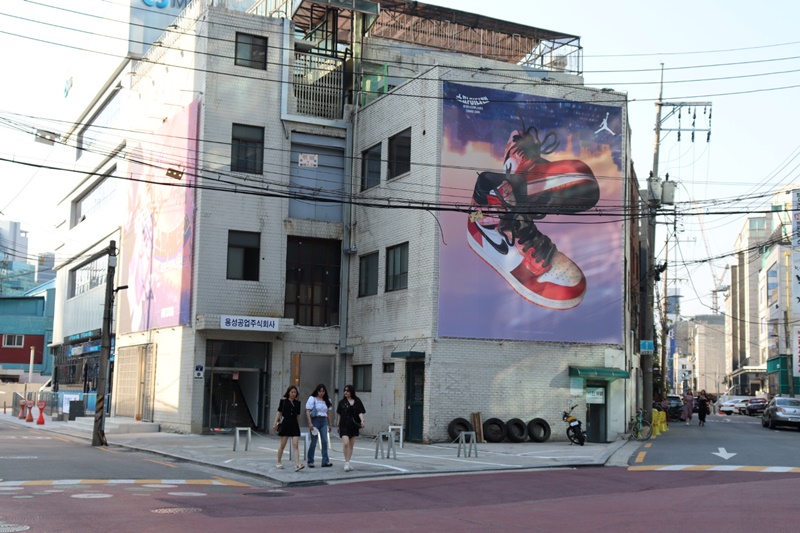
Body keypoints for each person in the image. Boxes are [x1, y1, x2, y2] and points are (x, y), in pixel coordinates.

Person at [273, 385, 304, 472]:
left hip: (294, 425)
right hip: (285, 424)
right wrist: (275, 423)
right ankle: (278, 462)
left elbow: (298, 415)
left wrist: (298, 425)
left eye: (295, 392)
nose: (293, 394)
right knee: (282, 445)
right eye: (292, 392)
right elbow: (279, 412)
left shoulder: (298, 403)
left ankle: (297, 464)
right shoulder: (283, 402)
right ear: (288, 393)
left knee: (295, 445)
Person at [336, 385, 366, 472]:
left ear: (351, 392)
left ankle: (348, 462)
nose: (346, 392)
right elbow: (339, 414)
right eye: (345, 390)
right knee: (345, 443)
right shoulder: (342, 402)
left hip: (353, 425)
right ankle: (346, 462)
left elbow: (360, 412)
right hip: (344, 424)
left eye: (348, 391)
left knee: (351, 445)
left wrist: (362, 421)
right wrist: (338, 425)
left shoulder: (357, 401)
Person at [306, 383, 333, 468]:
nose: (321, 393)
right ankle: (310, 461)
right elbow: (307, 411)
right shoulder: (312, 399)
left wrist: (330, 424)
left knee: (324, 441)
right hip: (315, 420)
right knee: (314, 441)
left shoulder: (327, 400)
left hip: (323, 421)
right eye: (320, 391)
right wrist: (310, 423)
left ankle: (325, 461)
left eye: (323, 391)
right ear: (317, 391)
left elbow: (328, 413)